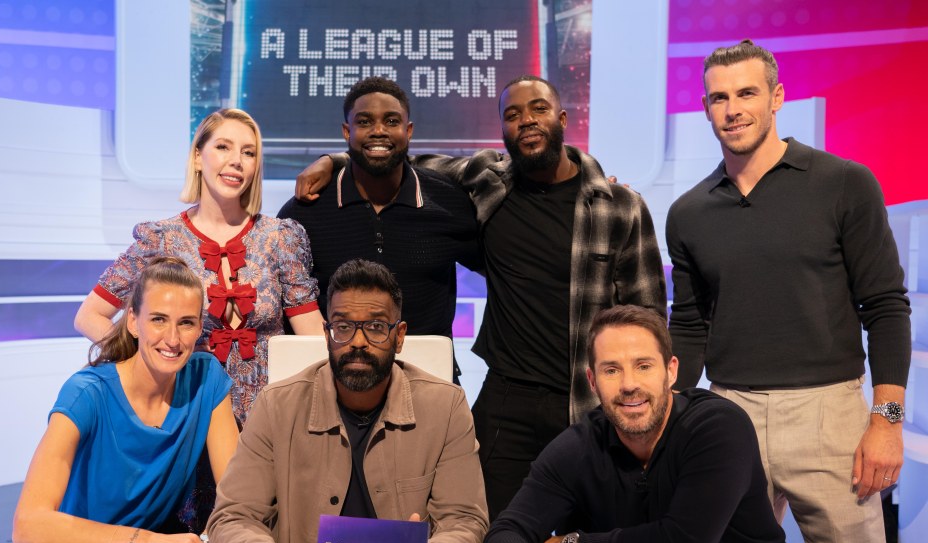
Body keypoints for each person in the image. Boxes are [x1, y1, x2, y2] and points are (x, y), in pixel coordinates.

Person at [295, 75, 667, 520]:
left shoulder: (620, 205)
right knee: (491, 536)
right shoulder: (489, 182)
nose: (526, 121)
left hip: (585, 403)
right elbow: (391, 156)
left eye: (539, 110)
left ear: (563, 119)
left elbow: (648, 323)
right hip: (504, 400)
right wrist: (334, 160)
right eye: (513, 115)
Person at [666, 40, 911, 543]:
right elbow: (688, 324)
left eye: (747, 93)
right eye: (718, 98)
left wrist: (887, 422)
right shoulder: (688, 213)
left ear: (777, 97)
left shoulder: (844, 183)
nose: (732, 110)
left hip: (829, 413)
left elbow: (886, 307)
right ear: (706, 107)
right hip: (728, 409)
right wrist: (673, 421)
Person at [481, 305, 801, 543]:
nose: (629, 384)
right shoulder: (578, 445)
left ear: (671, 370)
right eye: (611, 370)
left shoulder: (717, 426)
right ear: (592, 381)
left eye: (643, 366)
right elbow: (504, 535)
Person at [207, 259, 488, 543]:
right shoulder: (276, 406)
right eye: (343, 327)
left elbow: (466, 519)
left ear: (399, 337)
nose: (357, 342)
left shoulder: (445, 407)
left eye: (375, 327)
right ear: (326, 334)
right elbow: (231, 518)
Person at [74, 108, 323, 427]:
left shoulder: (279, 239)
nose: (237, 160)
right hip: (186, 416)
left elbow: (313, 338)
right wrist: (149, 358)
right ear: (196, 157)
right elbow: (89, 316)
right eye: (223, 147)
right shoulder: (162, 240)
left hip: (271, 421)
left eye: (248, 152)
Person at [13, 257, 240, 543]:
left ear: (200, 327)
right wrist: (143, 541)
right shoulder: (87, 393)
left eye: (186, 322)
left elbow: (236, 495)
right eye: (158, 319)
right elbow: (28, 522)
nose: (172, 340)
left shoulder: (207, 379)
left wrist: (206, 540)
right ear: (133, 321)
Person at [277, 77, 481, 369]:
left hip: (429, 379)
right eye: (364, 122)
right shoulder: (304, 211)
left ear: (408, 131)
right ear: (347, 132)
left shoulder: (449, 202)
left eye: (391, 121)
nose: (379, 131)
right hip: (337, 383)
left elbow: (500, 273)